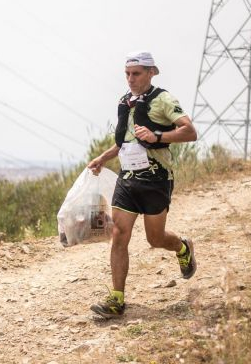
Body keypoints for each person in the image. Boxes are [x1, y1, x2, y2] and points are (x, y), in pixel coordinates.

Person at [86, 51, 198, 318]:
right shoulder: (125, 101)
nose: (130, 79)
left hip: (156, 179)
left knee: (155, 239)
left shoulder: (164, 100)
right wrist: (103, 157)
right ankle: (116, 300)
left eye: (136, 74)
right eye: (127, 74)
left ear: (152, 73)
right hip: (128, 179)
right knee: (119, 234)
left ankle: (183, 247)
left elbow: (190, 131)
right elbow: (124, 141)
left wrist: (158, 135)